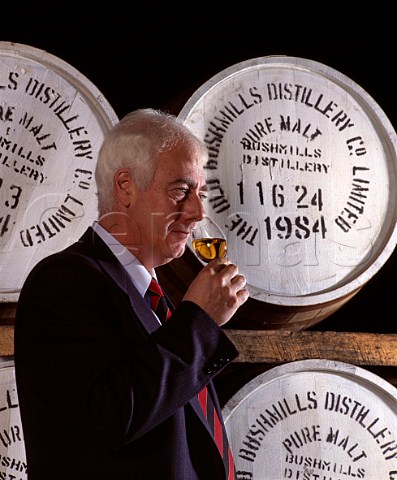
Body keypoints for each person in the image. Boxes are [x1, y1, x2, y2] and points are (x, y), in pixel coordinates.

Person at [14, 108, 249, 480]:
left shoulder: (157, 299)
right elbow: (112, 415)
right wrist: (200, 321)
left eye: (200, 194)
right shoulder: (64, 281)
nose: (198, 212)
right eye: (180, 191)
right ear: (125, 187)